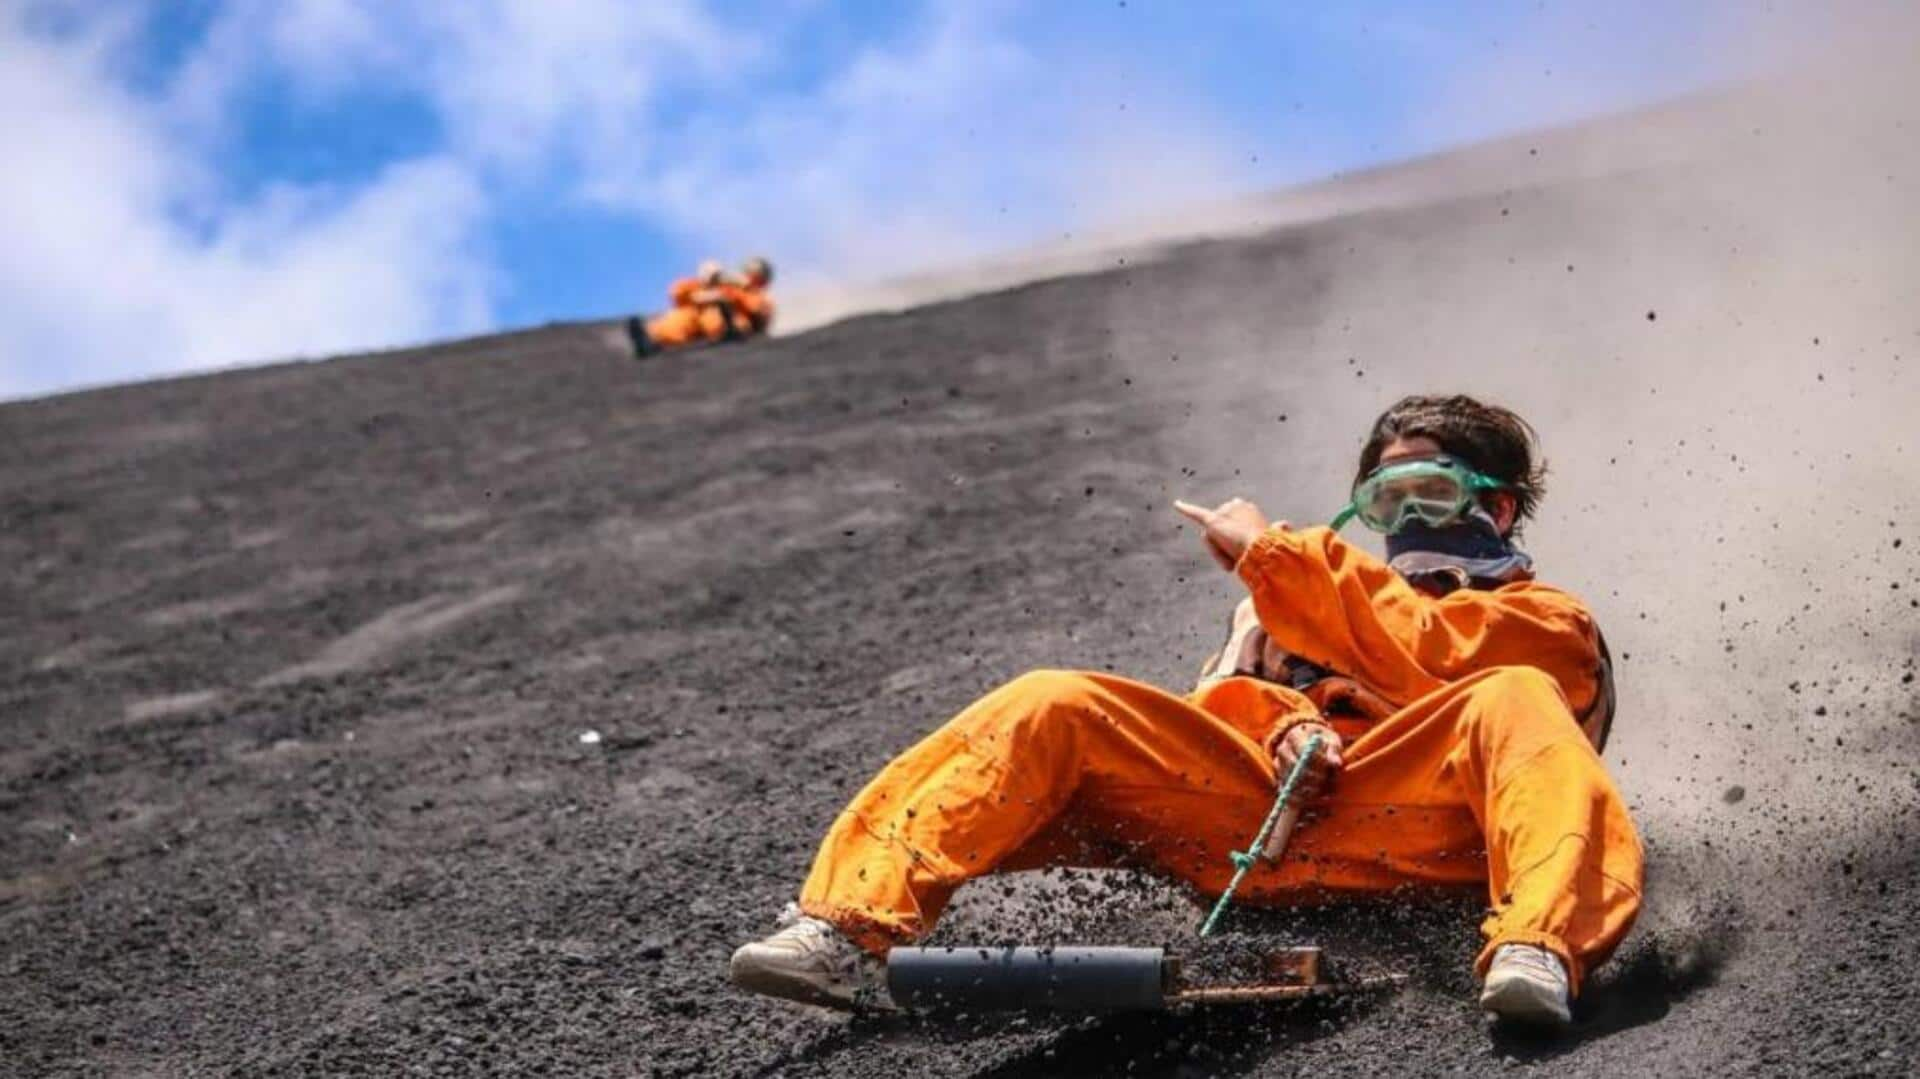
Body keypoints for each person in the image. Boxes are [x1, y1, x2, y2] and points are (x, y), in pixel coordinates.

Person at [728, 394, 1642, 1028]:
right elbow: (1219, 705)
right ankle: (844, 926)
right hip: (1261, 833)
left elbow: (1438, 658)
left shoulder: (1546, 621)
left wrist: (1281, 560)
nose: (1404, 517)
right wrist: (1283, 719)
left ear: (1499, 504)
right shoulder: (1296, 607)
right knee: (1057, 700)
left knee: (1510, 699)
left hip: (1429, 838)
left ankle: (1538, 948)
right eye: (1384, 498)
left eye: (1429, 492)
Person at [625, 257, 776, 358]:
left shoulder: (754, 295)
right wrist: (708, 285)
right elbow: (678, 294)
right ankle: (649, 341)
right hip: (699, 317)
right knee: (680, 318)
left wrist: (740, 291)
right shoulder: (713, 284)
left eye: (755, 274)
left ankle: (729, 331)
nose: (750, 275)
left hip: (730, 320)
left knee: (722, 316)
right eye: (749, 271)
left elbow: (758, 312)